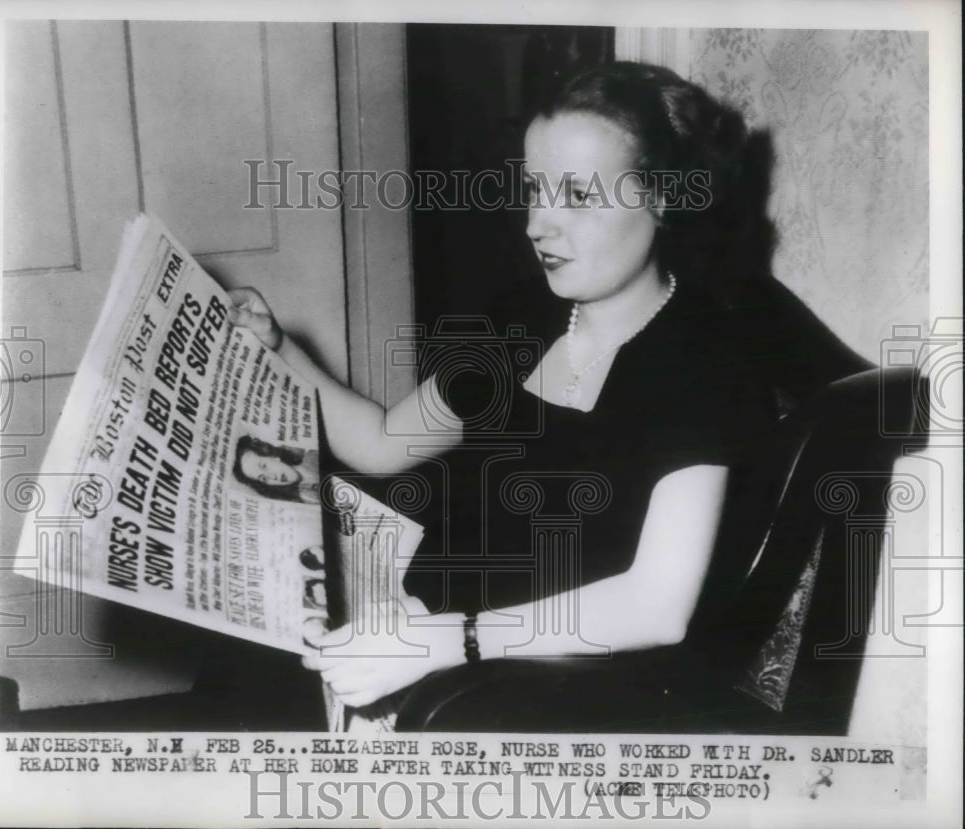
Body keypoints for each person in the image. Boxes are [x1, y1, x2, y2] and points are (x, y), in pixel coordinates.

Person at [228, 62, 777, 713]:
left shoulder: (705, 362)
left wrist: (446, 640)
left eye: (578, 195)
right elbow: (381, 444)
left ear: (663, 198)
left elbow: (656, 607)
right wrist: (280, 348)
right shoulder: (522, 319)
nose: (537, 224)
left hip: (557, 689)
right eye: (535, 189)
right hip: (435, 641)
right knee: (243, 674)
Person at [231, 434, 321, 505]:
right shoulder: (300, 502)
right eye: (263, 478)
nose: (272, 477)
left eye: (264, 466)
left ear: (273, 456)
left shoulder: (316, 455)